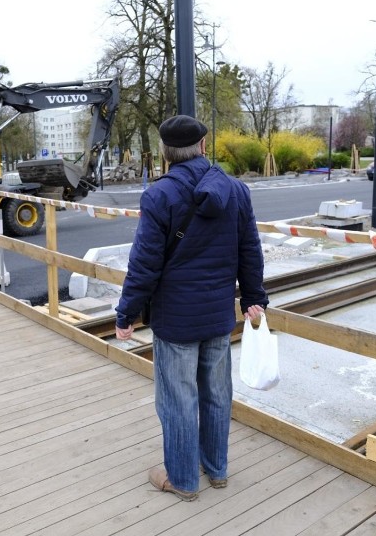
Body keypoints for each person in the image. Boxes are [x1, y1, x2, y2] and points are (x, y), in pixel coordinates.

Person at [115, 114, 268, 501]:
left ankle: (182, 479)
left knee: (178, 400)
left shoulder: (159, 196)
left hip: (176, 320)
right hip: (217, 315)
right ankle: (216, 470)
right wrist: (253, 299)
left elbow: (144, 264)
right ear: (203, 145)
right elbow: (250, 250)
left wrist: (126, 314)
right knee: (217, 394)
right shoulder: (236, 190)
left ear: (166, 153)